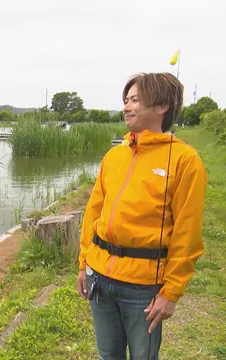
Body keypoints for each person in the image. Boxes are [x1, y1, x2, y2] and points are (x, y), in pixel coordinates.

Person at [76, 72, 207, 360]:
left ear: (162, 106)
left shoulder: (185, 161)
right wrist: (84, 263)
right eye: (126, 100)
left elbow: (188, 233)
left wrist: (171, 292)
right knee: (108, 355)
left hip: (142, 287)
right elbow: (94, 212)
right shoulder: (114, 156)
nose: (126, 106)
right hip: (100, 276)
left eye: (135, 100)